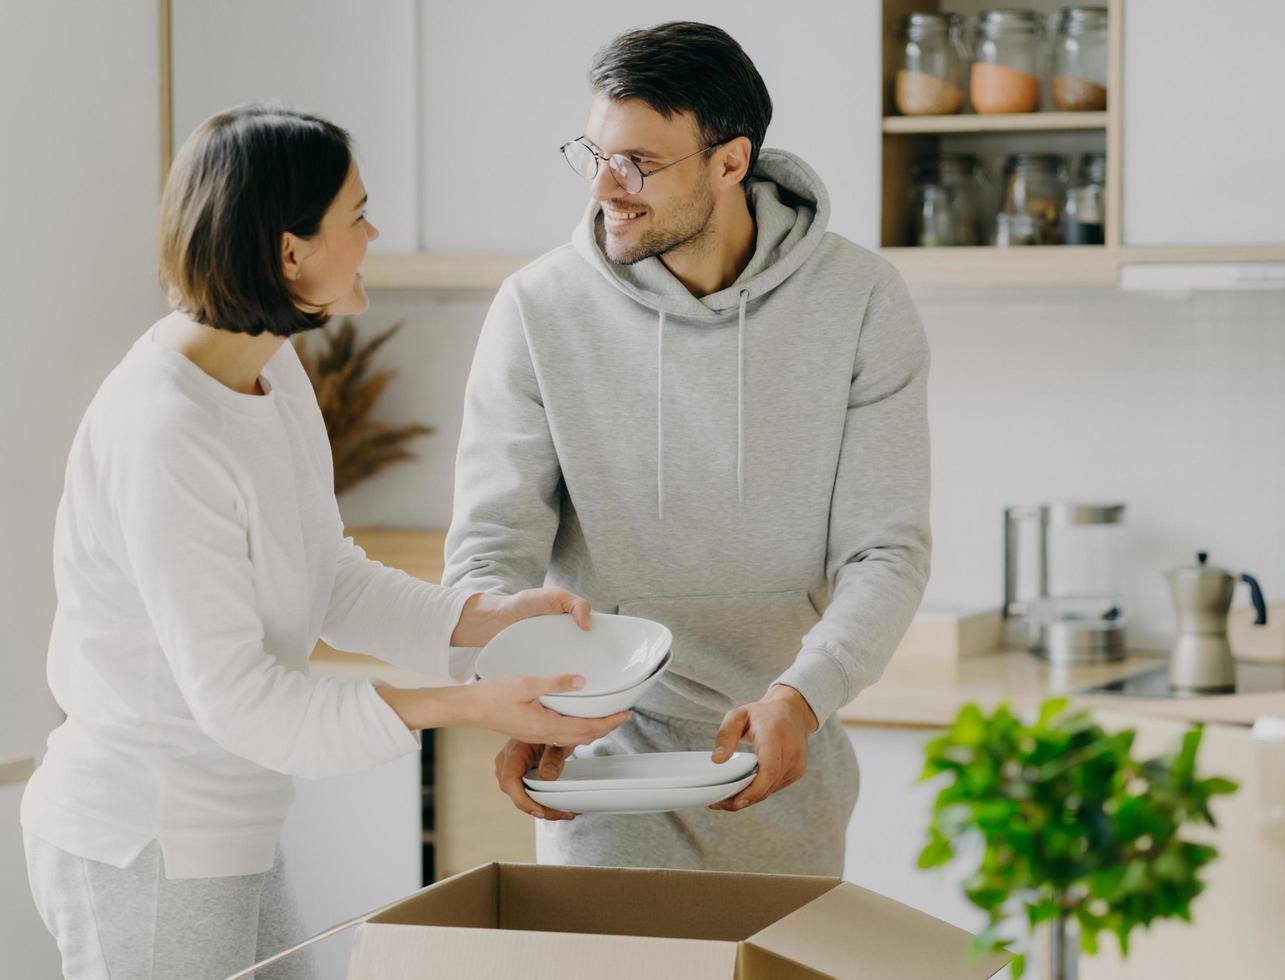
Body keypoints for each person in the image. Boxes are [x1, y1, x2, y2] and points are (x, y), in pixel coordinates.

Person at [20, 104, 627, 980]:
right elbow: (244, 701)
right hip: (147, 840)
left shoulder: (270, 371)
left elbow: (327, 576)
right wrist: (465, 706)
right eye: (357, 214)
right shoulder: (164, 431)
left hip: (231, 824)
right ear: (289, 251)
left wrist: (483, 619)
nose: (374, 232)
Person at [445, 22, 931, 876]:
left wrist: (802, 697)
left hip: (785, 751)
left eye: (638, 162)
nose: (605, 187)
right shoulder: (537, 308)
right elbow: (491, 550)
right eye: (593, 154)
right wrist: (519, 696)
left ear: (731, 161)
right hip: (598, 756)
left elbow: (885, 550)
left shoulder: (860, 300)